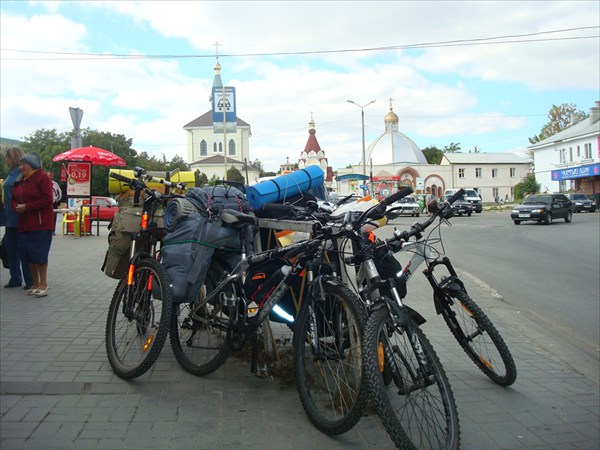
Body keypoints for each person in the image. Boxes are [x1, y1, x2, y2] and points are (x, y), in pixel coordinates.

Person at [11, 153, 54, 298]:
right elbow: (13, 198)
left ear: (33, 165)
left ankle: (43, 284)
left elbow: (48, 200)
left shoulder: (42, 178)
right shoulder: (20, 180)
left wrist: (27, 207)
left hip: (41, 224)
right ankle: (35, 283)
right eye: (20, 164)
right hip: (24, 224)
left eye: (24, 164)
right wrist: (16, 206)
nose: (21, 167)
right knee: (28, 255)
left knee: (39, 254)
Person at [1, 147, 33, 289]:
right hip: (10, 218)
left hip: (19, 217)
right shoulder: (12, 174)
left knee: (22, 249)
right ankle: (15, 277)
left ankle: (29, 279)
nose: (5, 161)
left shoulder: (20, 175)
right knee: (10, 249)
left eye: (7, 158)